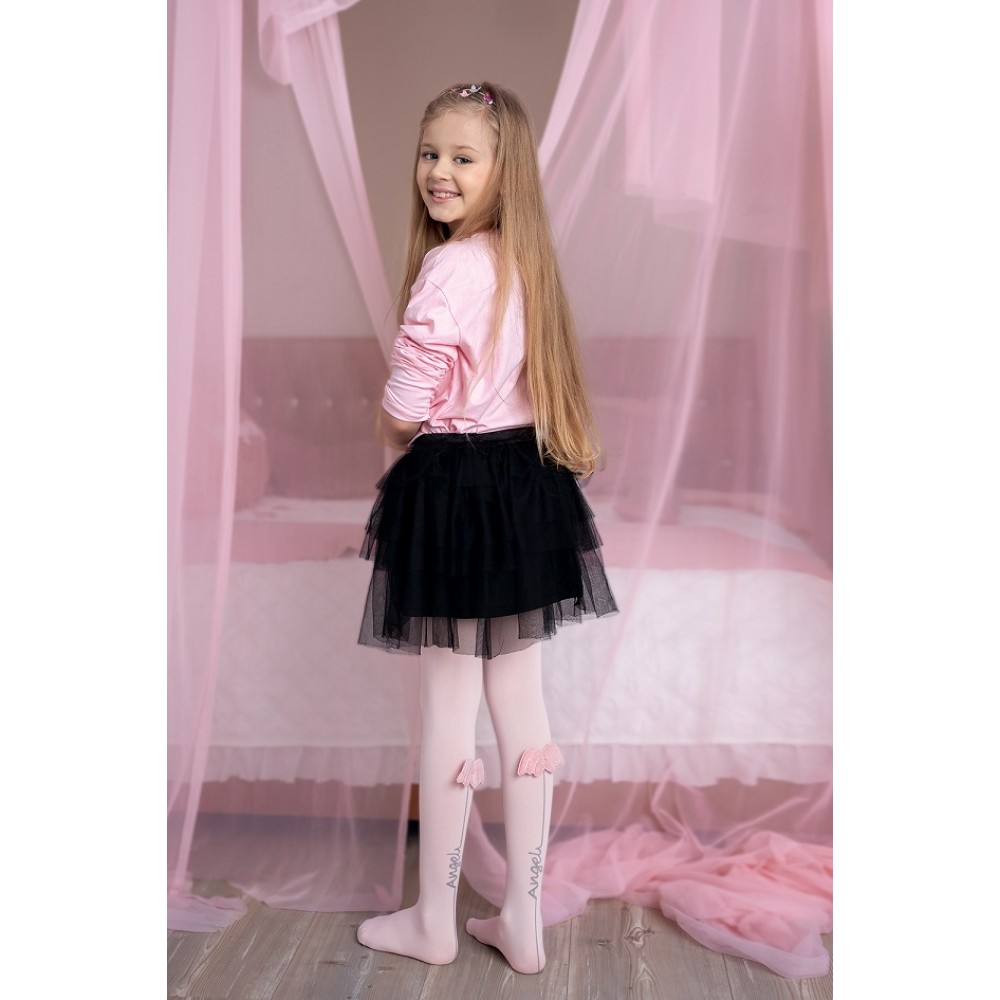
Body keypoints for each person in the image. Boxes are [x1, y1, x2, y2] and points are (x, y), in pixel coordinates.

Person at [356, 81, 617, 975]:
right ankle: (523, 917)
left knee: (447, 705)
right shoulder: (524, 261)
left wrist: (391, 424)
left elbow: (405, 405)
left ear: (505, 173)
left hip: (458, 490)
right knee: (523, 706)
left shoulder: (449, 268)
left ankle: (434, 919)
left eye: (463, 157)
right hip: (529, 485)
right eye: (430, 153)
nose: (439, 171)